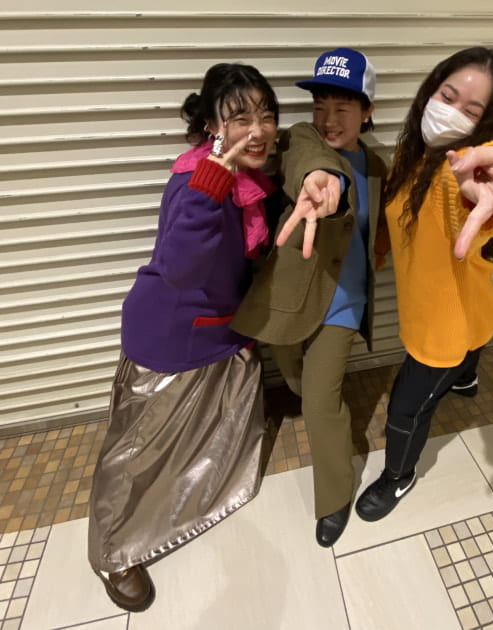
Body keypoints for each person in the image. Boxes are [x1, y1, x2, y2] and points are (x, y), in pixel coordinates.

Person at [87, 63, 279, 612]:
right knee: (134, 457)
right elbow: (179, 268)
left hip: (217, 332)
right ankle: (112, 552)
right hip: (170, 336)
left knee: (217, 430)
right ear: (212, 127)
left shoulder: (249, 178)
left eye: (266, 114)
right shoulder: (198, 181)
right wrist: (211, 185)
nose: (257, 130)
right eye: (240, 117)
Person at [353, 46, 493, 522]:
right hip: (471, 304)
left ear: (487, 123)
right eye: (448, 96)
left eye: (472, 110)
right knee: (469, 350)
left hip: (446, 325)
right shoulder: (412, 153)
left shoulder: (462, 174)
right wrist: (380, 249)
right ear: (430, 91)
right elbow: (396, 209)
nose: (452, 112)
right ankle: (466, 377)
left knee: (405, 410)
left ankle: (399, 476)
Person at [231, 48, 388, 547]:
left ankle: (334, 496)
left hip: (345, 301)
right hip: (292, 294)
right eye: (321, 105)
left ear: (368, 111)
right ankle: (313, 391)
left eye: (342, 108)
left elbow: (384, 220)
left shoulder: (378, 164)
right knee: (294, 374)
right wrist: (322, 180)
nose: (328, 119)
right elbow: (309, 162)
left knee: (320, 403)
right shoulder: (303, 138)